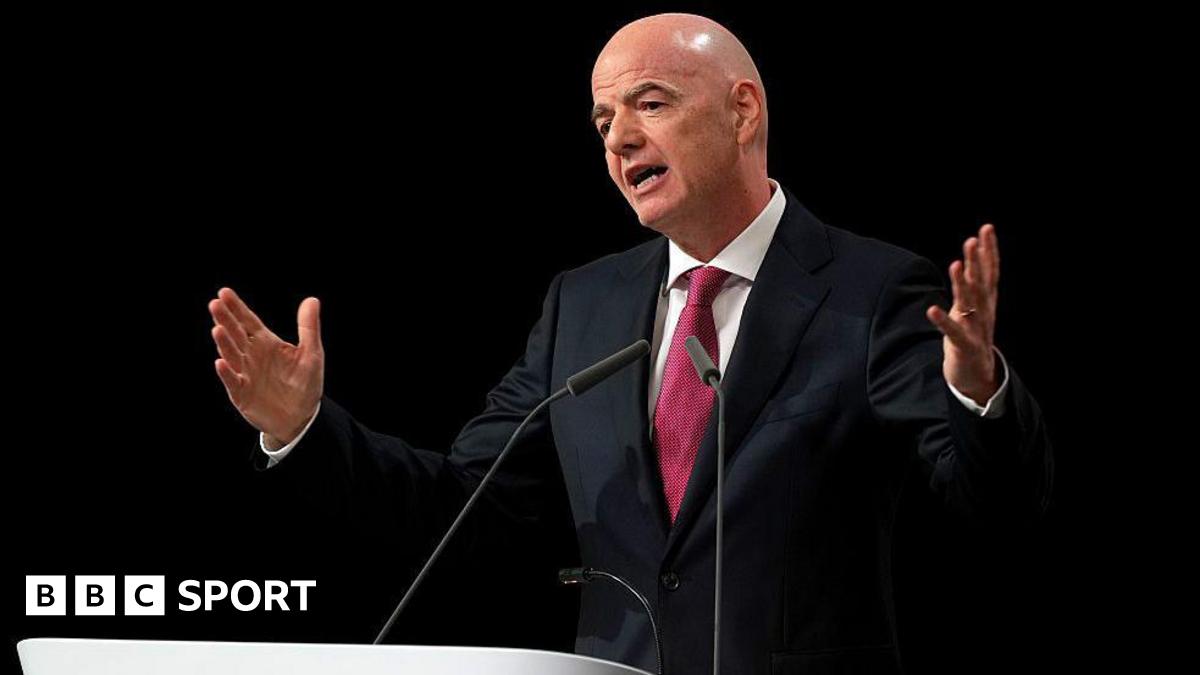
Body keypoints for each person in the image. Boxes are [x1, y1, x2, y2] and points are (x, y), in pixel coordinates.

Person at [208, 13, 1053, 674]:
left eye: (650, 104)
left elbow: (995, 505)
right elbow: (463, 510)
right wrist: (305, 429)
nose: (617, 139)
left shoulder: (870, 291)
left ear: (743, 110)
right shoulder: (584, 305)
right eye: (602, 119)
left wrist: (978, 389)